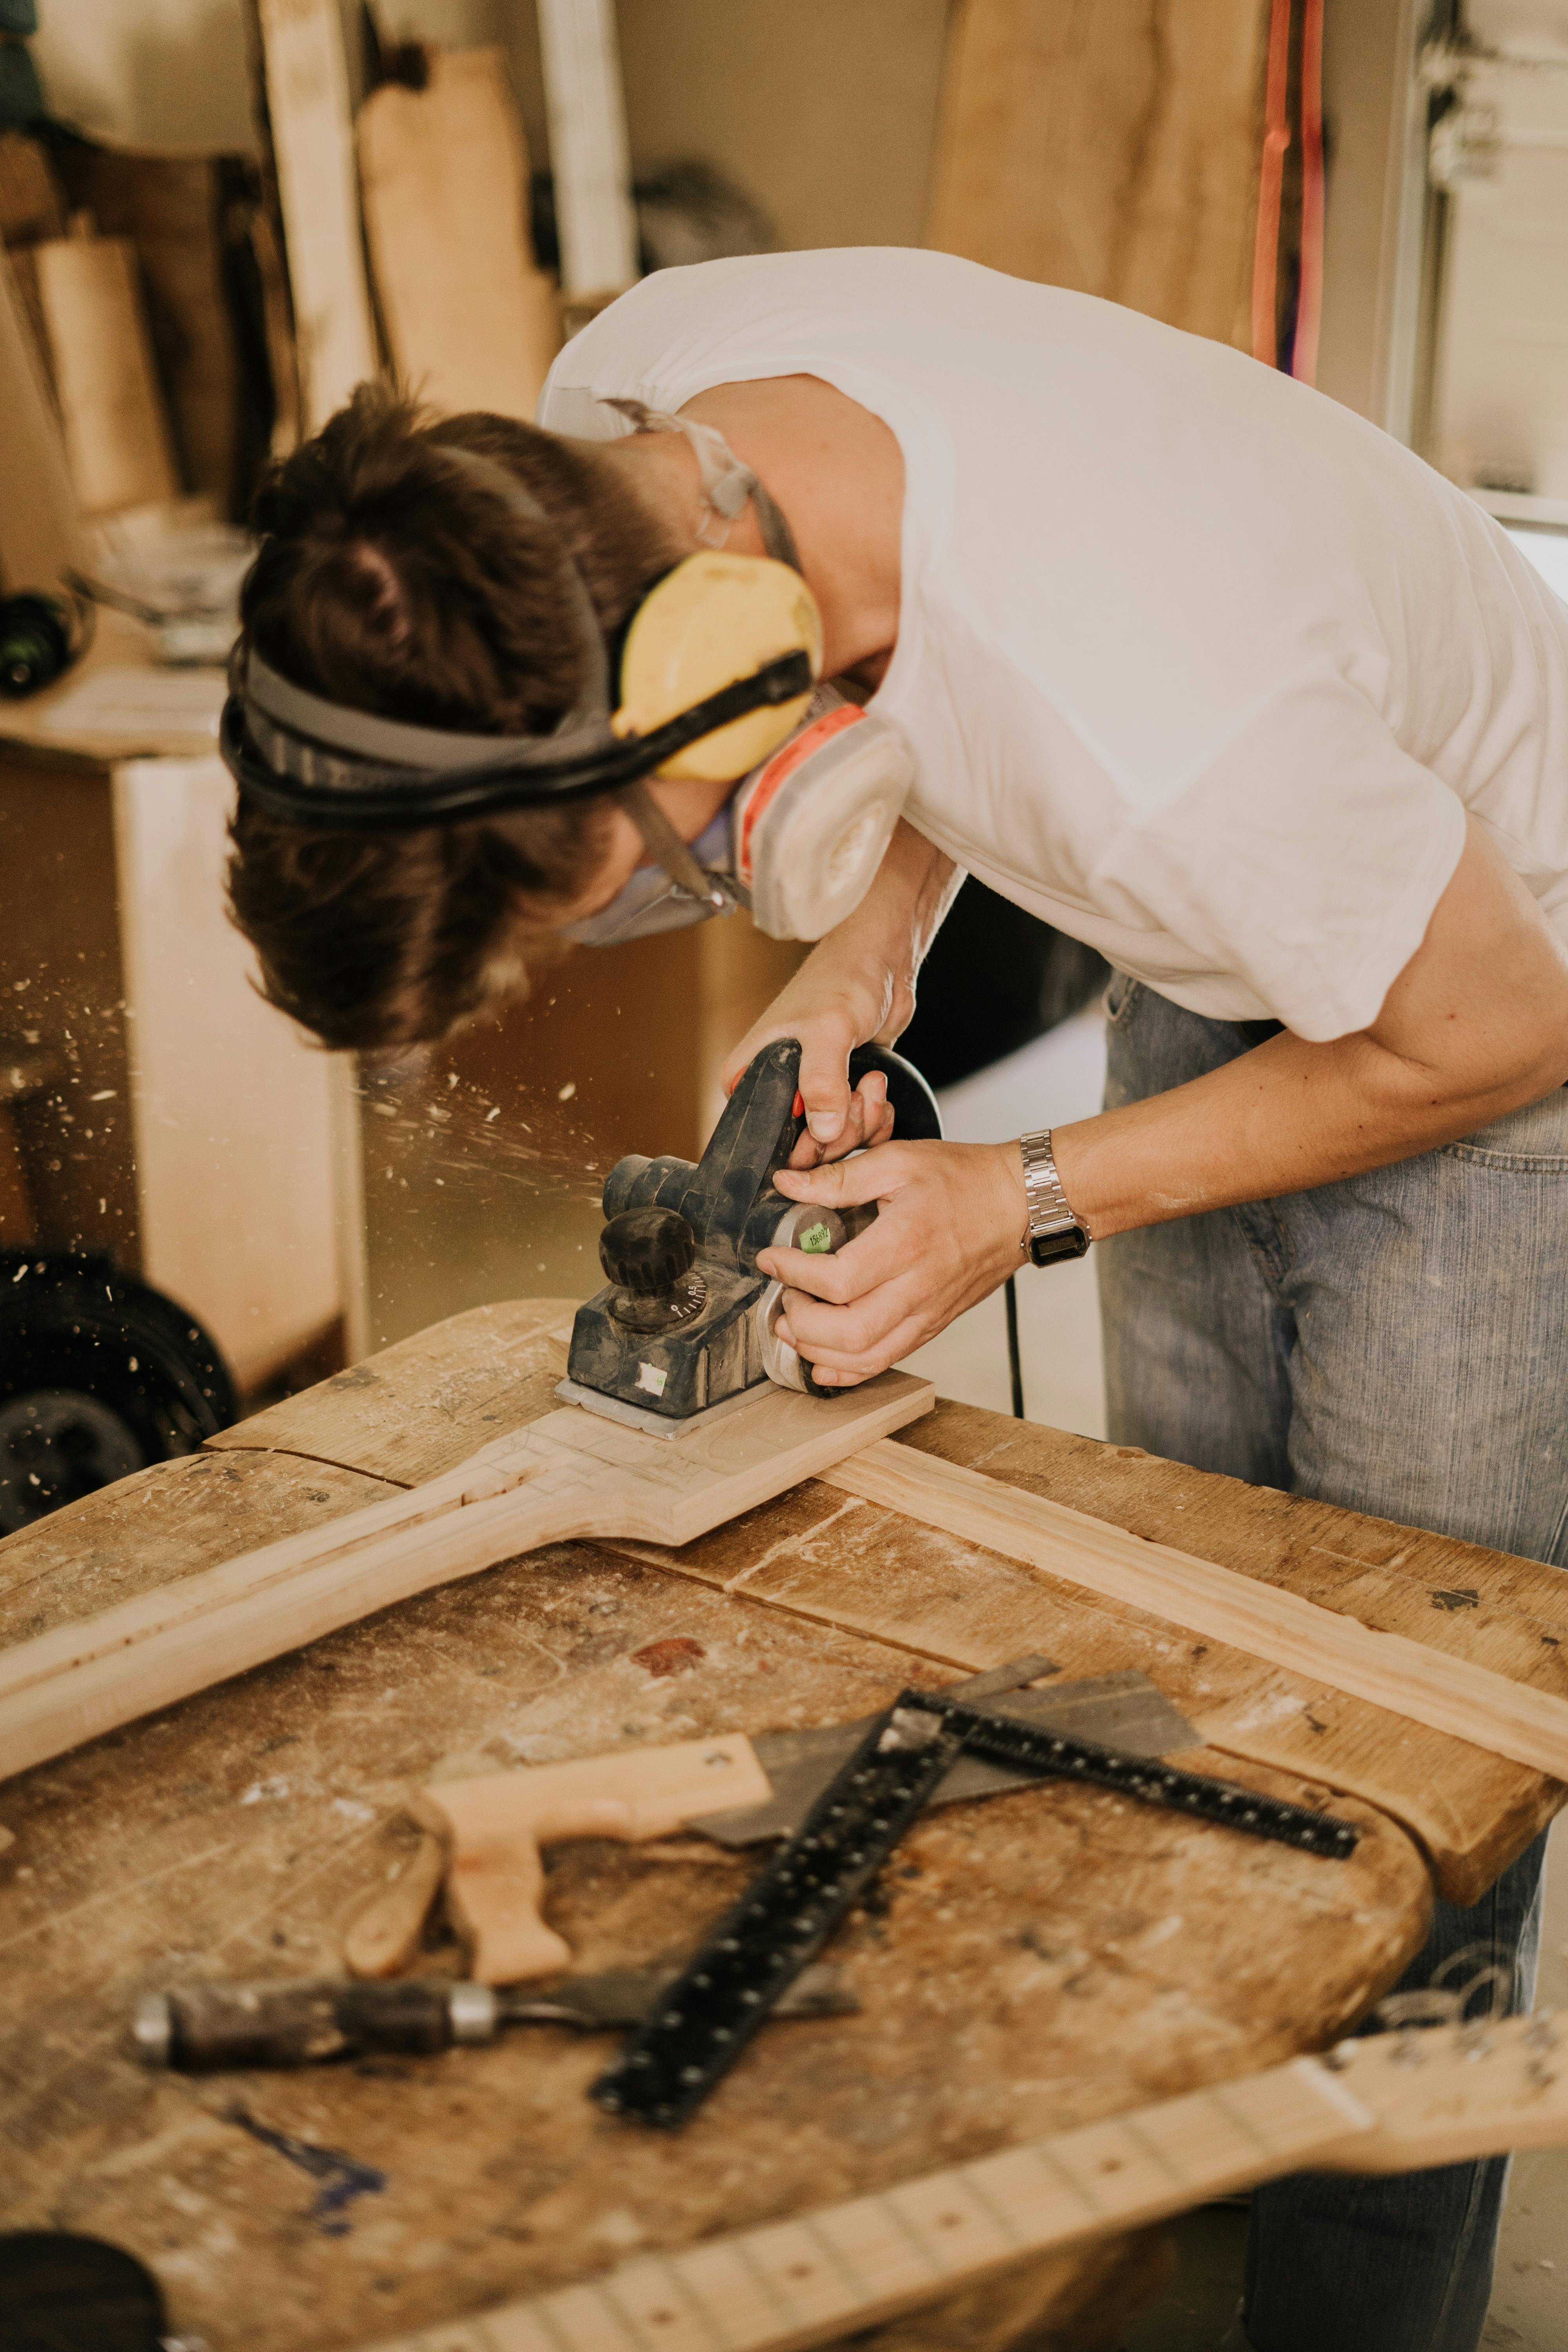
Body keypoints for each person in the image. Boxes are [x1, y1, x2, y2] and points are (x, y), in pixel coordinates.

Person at [224, 247, 1568, 2352]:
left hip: (1505, 1008)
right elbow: (929, 693)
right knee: (1223, 1660)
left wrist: (1014, 1199)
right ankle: (1216, 2162)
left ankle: (1359, 2309)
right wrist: (857, 963)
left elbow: (1493, 1030)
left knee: (1407, 1767)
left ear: (718, 675)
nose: (675, 895)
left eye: (639, 869)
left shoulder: (1163, 720)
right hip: (1257, 930)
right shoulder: (646, 404)